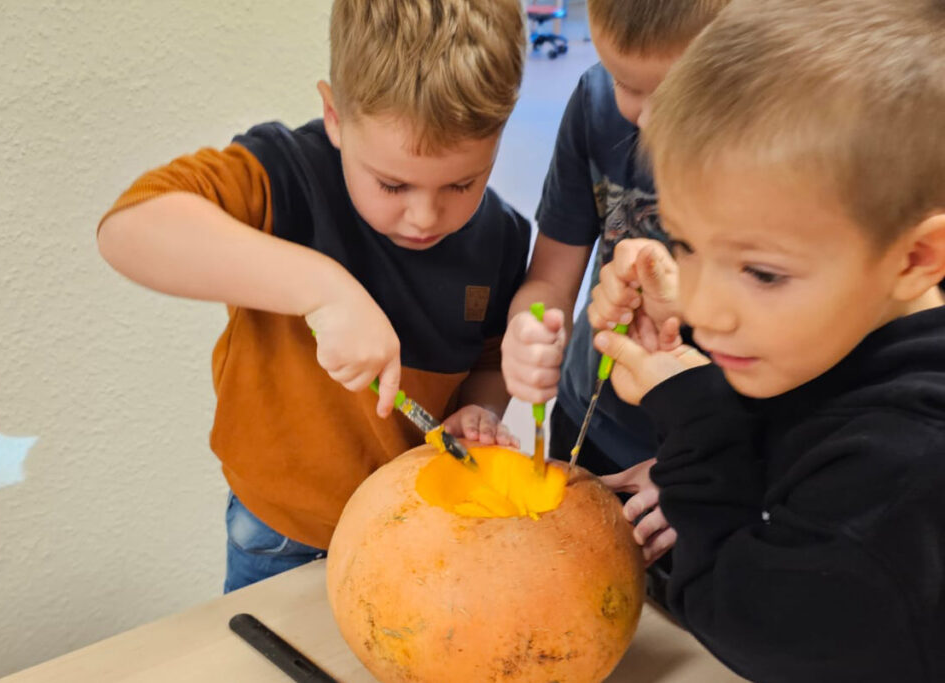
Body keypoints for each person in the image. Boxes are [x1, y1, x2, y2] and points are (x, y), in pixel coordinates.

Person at [96, 0, 529, 592]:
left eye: (462, 183)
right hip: (281, 537)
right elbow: (129, 231)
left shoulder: (503, 237)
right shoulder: (285, 175)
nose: (426, 216)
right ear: (335, 116)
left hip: (420, 532)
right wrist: (321, 289)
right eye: (392, 183)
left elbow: (490, 359)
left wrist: (482, 408)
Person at [590, 0, 945, 679]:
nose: (701, 307)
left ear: (915, 258)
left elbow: (737, 613)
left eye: (761, 271)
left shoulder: (908, 470)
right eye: (687, 244)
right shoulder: (838, 339)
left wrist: (696, 415)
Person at [500, 0, 731, 566]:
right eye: (625, 81)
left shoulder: (796, 156)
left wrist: (707, 467)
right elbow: (551, 276)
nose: (647, 118)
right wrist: (527, 331)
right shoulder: (596, 104)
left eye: (677, 93)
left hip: (725, 457)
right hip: (593, 419)